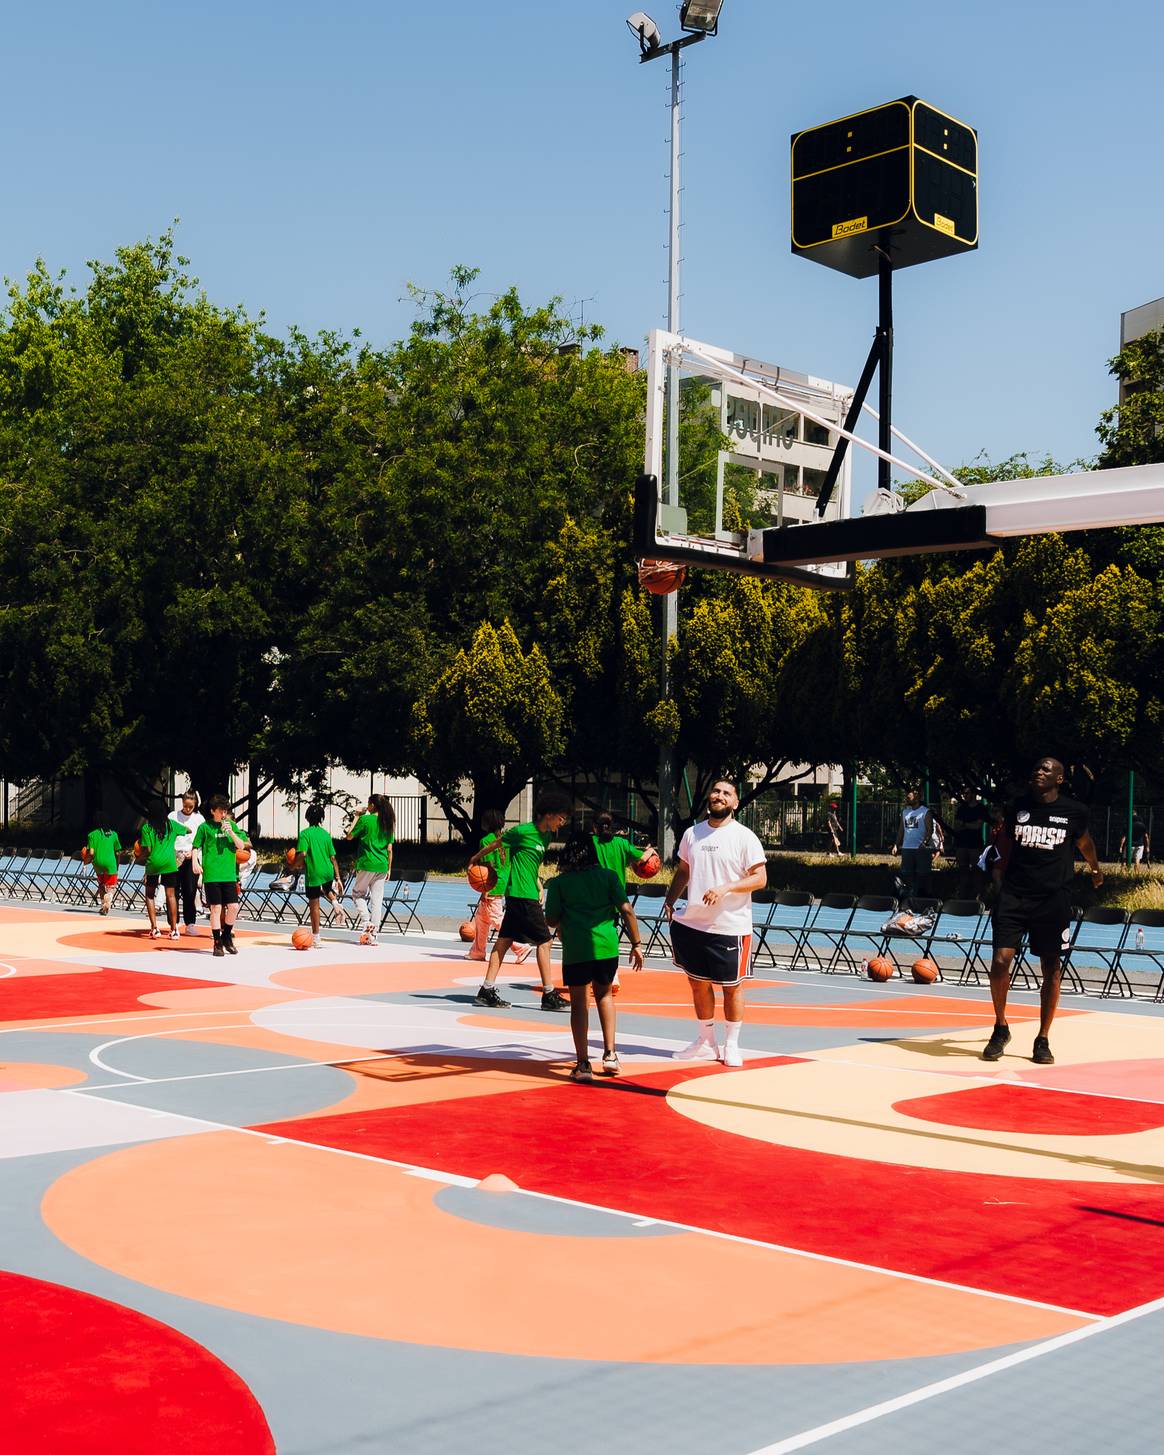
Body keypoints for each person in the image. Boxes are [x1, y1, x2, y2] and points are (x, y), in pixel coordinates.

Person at [982, 756, 1103, 1066]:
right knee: (1000, 959)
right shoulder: (1018, 808)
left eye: (1046, 769)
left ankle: (1043, 1038)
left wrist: (1095, 869)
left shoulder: (1074, 811)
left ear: (1059, 779)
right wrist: (995, 874)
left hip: (1053, 898)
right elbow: (1006, 845)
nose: (1038, 771)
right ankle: (1000, 1027)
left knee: (1051, 967)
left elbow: (1085, 843)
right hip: (1015, 894)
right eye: (1036, 767)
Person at [663, 780, 767, 1067]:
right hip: (692, 923)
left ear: (735, 802)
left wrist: (726, 888)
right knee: (698, 984)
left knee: (732, 988)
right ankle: (706, 1041)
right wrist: (670, 899)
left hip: (729, 926)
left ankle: (731, 1044)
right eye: (716, 791)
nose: (719, 796)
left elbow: (760, 878)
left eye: (727, 793)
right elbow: (684, 870)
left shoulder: (744, 837)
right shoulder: (692, 834)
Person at [544, 832, 644, 1081]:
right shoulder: (609, 876)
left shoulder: (559, 883)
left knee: (579, 1004)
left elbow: (551, 919)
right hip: (606, 947)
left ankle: (583, 1064)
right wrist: (637, 943)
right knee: (605, 996)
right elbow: (627, 910)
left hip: (577, 949)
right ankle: (610, 1054)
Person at [467, 790, 572, 1012]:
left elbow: (530, 864)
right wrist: (475, 859)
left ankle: (486, 989)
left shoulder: (546, 837)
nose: (562, 823)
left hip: (525, 893)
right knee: (545, 942)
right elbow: (496, 844)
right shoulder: (522, 831)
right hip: (521, 896)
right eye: (561, 818)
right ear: (549, 814)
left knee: (504, 941)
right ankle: (549, 993)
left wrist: (538, 884)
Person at [591, 811, 654, 994]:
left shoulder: (592, 843)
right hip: (616, 894)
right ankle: (612, 974)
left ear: (594, 826)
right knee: (612, 932)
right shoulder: (621, 843)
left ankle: (599, 974)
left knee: (593, 934)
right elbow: (642, 859)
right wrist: (650, 850)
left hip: (594, 893)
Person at [467, 808, 530, 964]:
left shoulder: (486, 840)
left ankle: (520, 947)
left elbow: (487, 866)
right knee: (482, 918)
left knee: (496, 919)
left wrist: (485, 889)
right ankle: (478, 951)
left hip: (491, 882)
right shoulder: (506, 839)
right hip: (503, 881)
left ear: (488, 823)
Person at [192, 795, 251, 957]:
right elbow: (195, 846)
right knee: (216, 908)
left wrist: (231, 832)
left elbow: (241, 846)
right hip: (212, 874)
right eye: (221, 811)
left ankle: (227, 936)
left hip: (229, 874)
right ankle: (217, 942)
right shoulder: (205, 827)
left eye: (226, 811)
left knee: (233, 907)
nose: (223, 814)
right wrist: (195, 863)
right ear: (213, 811)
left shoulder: (231, 825)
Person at [292, 803, 346, 948]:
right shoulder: (325, 834)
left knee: (314, 905)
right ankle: (335, 903)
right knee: (327, 889)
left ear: (307, 817)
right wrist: (338, 878)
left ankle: (316, 938)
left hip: (314, 872)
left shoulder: (305, 834)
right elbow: (333, 858)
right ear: (321, 818)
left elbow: (302, 853)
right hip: (328, 870)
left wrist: (294, 865)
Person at [346, 794, 395, 945]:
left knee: (357, 894)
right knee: (377, 900)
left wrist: (356, 816)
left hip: (367, 862)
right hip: (382, 864)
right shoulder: (387, 823)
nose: (367, 805)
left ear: (372, 805)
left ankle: (366, 922)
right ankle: (374, 934)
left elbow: (349, 836)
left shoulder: (366, 820)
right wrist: (389, 868)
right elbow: (390, 848)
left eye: (368, 803)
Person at [139, 805, 183, 940]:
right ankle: (174, 929)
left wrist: (140, 855)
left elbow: (148, 849)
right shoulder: (171, 825)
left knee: (150, 895)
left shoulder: (147, 828)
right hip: (169, 863)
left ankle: (154, 928)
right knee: (171, 896)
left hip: (154, 863)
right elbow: (188, 830)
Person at [169, 790, 205, 936]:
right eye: (185, 805)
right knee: (173, 892)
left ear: (195, 804)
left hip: (191, 857)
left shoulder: (199, 819)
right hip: (175, 857)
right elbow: (168, 836)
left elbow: (202, 840)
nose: (187, 809)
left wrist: (195, 852)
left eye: (190, 806)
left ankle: (190, 923)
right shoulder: (172, 816)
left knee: (190, 891)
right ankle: (174, 923)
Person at [891, 787, 934, 902]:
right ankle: (911, 894)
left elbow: (930, 830)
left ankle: (922, 897)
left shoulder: (925, 812)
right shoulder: (905, 812)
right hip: (907, 848)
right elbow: (901, 830)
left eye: (909, 795)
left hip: (921, 849)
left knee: (923, 874)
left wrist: (924, 843)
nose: (907, 797)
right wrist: (896, 845)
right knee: (907, 873)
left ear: (917, 796)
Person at [952, 786, 990, 897]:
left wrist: (965, 824)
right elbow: (957, 826)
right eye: (964, 793)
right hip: (962, 843)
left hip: (975, 844)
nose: (964, 795)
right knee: (963, 869)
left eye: (967, 793)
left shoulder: (981, 808)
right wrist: (969, 825)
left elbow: (978, 826)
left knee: (976, 870)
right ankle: (962, 894)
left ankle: (977, 895)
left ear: (973, 794)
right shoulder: (961, 808)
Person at [83, 813, 122, 916]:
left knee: (101, 884)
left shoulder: (92, 835)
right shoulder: (114, 835)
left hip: (98, 863)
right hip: (110, 863)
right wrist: (117, 865)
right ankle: (108, 898)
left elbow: (91, 852)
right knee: (111, 887)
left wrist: (86, 861)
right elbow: (118, 852)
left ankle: (102, 905)